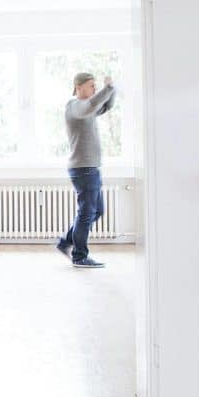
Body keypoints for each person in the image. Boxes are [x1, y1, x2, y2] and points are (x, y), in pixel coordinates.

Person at [55, 72, 116, 269]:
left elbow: (105, 106)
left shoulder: (86, 108)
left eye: (95, 85)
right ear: (78, 87)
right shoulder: (75, 106)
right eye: (91, 85)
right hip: (84, 169)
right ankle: (79, 256)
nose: (94, 89)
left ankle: (66, 242)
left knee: (96, 211)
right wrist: (107, 88)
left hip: (90, 169)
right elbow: (92, 104)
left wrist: (112, 90)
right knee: (86, 213)